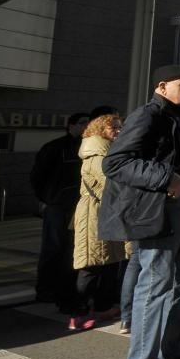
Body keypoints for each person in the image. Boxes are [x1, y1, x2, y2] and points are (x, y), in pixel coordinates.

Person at [99, 65, 180, 359]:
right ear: (162, 86)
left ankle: (172, 352)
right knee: (155, 285)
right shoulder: (149, 115)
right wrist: (167, 178)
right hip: (160, 207)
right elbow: (116, 162)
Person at [70, 114, 127, 330]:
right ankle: (79, 313)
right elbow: (110, 186)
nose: (119, 131)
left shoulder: (107, 151)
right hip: (95, 213)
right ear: (100, 130)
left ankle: (103, 306)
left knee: (109, 262)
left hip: (105, 212)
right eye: (114, 127)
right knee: (91, 264)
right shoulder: (96, 154)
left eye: (120, 127)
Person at [31, 112, 89, 307]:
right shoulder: (55, 147)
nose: (85, 127)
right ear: (70, 125)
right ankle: (45, 288)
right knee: (53, 247)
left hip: (76, 204)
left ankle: (62, 287)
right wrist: (46, 199)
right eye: (82, 123)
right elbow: (38, 176)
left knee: (71, 248)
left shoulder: (85, 147)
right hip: (57, 205)